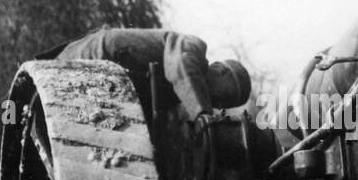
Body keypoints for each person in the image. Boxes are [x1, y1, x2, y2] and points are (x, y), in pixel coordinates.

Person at [36, 28, 250, 121]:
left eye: (224, 106)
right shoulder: (193, 47)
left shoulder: (178, 95)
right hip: (91, 59)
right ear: (221, 71)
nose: (218, 104)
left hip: (104, 82)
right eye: (225, 97)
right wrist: (202, 115)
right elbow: (180, 66)